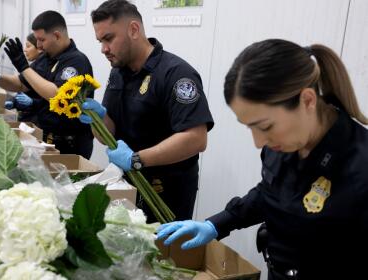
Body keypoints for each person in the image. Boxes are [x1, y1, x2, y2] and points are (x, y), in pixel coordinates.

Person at [157, 39, 368, 279]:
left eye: (265, 126)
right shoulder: (280, 144)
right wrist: (217, 224)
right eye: (250, 127)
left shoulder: (359, 167)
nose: (259, 142)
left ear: (307, 100)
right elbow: (270, 192)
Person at [81, 0, 214, 222]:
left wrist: (136, 159)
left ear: (134, 29)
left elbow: (196, 138)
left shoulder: (176, 73)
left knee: (161, 255)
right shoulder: (119, 72)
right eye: (100, 41)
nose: (103, 48)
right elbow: (109, 136)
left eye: (108, 38)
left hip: (165, 194)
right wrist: (99, 119)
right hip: (126, 186)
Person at [0, 11, 94, 159]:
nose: (39, 45)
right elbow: (21, 84)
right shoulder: (46, 59)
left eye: (42, 40)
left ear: (57, 35)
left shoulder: (76, 61)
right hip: (46, 136)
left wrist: (24, 67)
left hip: (70, 143)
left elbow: (57, 95)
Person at [5, 33, 44, 125]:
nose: (25, 50)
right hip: (27, 116)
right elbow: (25, 88)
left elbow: (47, 98)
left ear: (39, 48)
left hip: (36, 121)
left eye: (28, 46)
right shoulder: (35, 65)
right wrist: (14, 102)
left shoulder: (42, 67)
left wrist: (33, 102)